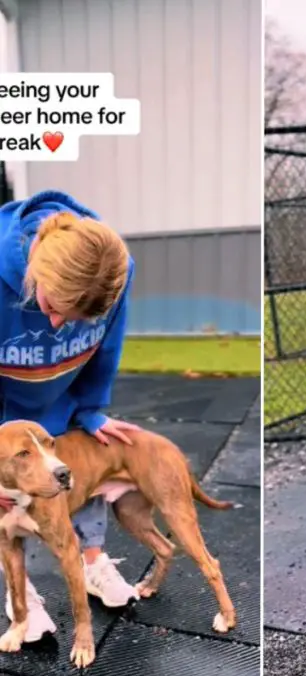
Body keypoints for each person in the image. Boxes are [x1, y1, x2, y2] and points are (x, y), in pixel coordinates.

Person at [0, 190, 141, 643]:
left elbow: (108, 345)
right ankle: (20, 595)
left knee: (80, 463)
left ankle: (93, 561)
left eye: (76, 318)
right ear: (33, 272)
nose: (60, 325)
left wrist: (92, 409)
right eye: (53, 307)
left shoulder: (115, 273)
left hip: (58, 395)